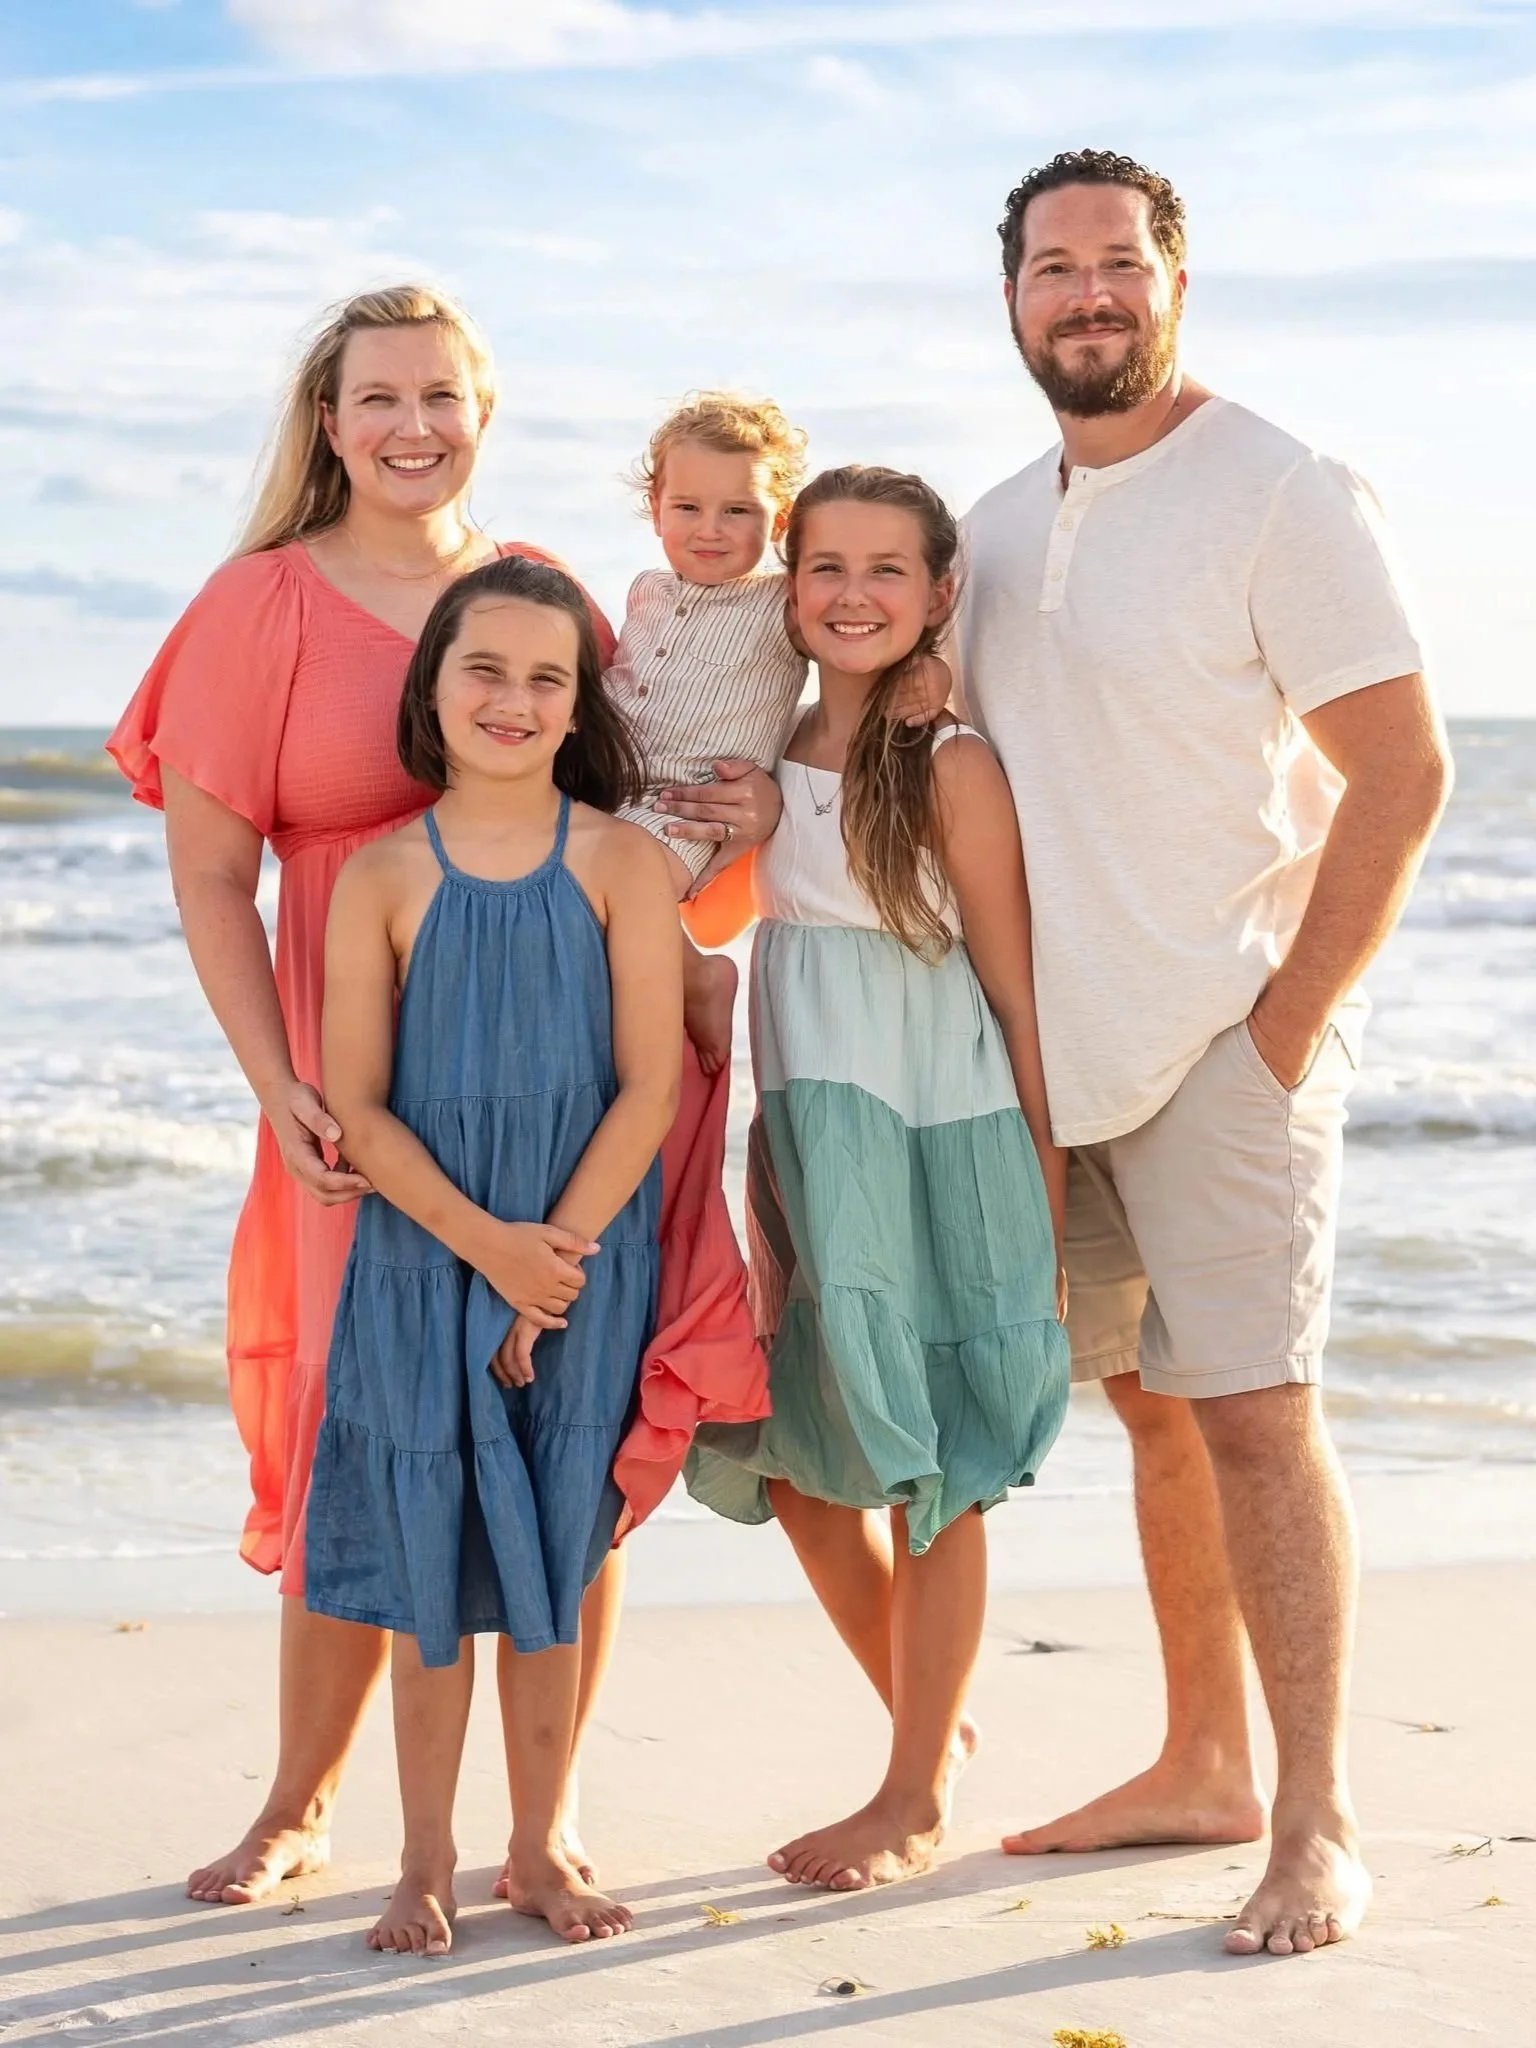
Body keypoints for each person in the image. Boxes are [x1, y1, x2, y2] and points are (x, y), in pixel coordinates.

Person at [957, 150, 1452, 1957]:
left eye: (1116, 263)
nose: (1085, 294)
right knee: (1149, 1408)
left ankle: (1313, 1820)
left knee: (1256, 1418)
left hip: (1231, 1043)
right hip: (1064, 1065)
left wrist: (1283, 1028)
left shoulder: (1280, 487)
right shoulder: (997, 524)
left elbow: (1403, 773)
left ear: (1175, 280)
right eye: (1049, 267)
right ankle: (1198, 1761)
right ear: (1006, 297)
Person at [107, 285, 638, 1905]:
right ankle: (300, 1798)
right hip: (356, 1106)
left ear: (486, 409)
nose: (414, 426)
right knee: (369, 1425)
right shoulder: (259, 601)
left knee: (569, 1442)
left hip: (552, 1094)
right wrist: (276, 1087)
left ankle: (537, 1824)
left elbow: (626, 824)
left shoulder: (533, 592)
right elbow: (211, 875)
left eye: (442, 396)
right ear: (327, 422)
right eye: (378, 397)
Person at [686, 466, 1070, 1892]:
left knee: (941, 1459)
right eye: (825, 565)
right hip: (808, 1120)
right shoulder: (781, 736)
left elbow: (1013, 984)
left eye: (887, 570)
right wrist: (727, 827)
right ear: (790, 589)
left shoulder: (954, 760)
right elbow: (729, 907)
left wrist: (1040, 1160)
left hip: (937, 1122)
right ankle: (936, 1738)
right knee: (795, 1460)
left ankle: (911, 1793)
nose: (853, 592)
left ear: (937, 593)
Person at [308, 553, 680, 1950]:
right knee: (433, 1568)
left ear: (580, 704)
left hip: (583, 1260)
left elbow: (649, 1084)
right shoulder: (384, 874)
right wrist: (486, 1254)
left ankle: (536, 1848)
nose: (514, 699)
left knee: (557, 1559)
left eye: (546, 677)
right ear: (434, 684)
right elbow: (360, 1103)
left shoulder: (620, 861)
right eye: (486, 669)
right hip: (422, 1267)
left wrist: (556, 1261)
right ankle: (421, 1860)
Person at [608, 393, 952, 1076]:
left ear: (780, 521)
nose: (710, 529)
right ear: (656, 510)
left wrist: (935, 671)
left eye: (737, 510)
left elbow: (861, 632)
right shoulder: (645, 590)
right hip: (610, 789)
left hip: (691, 810)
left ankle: (699, 979)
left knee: (613, 880)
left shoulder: (782, 604)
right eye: (687, 508)